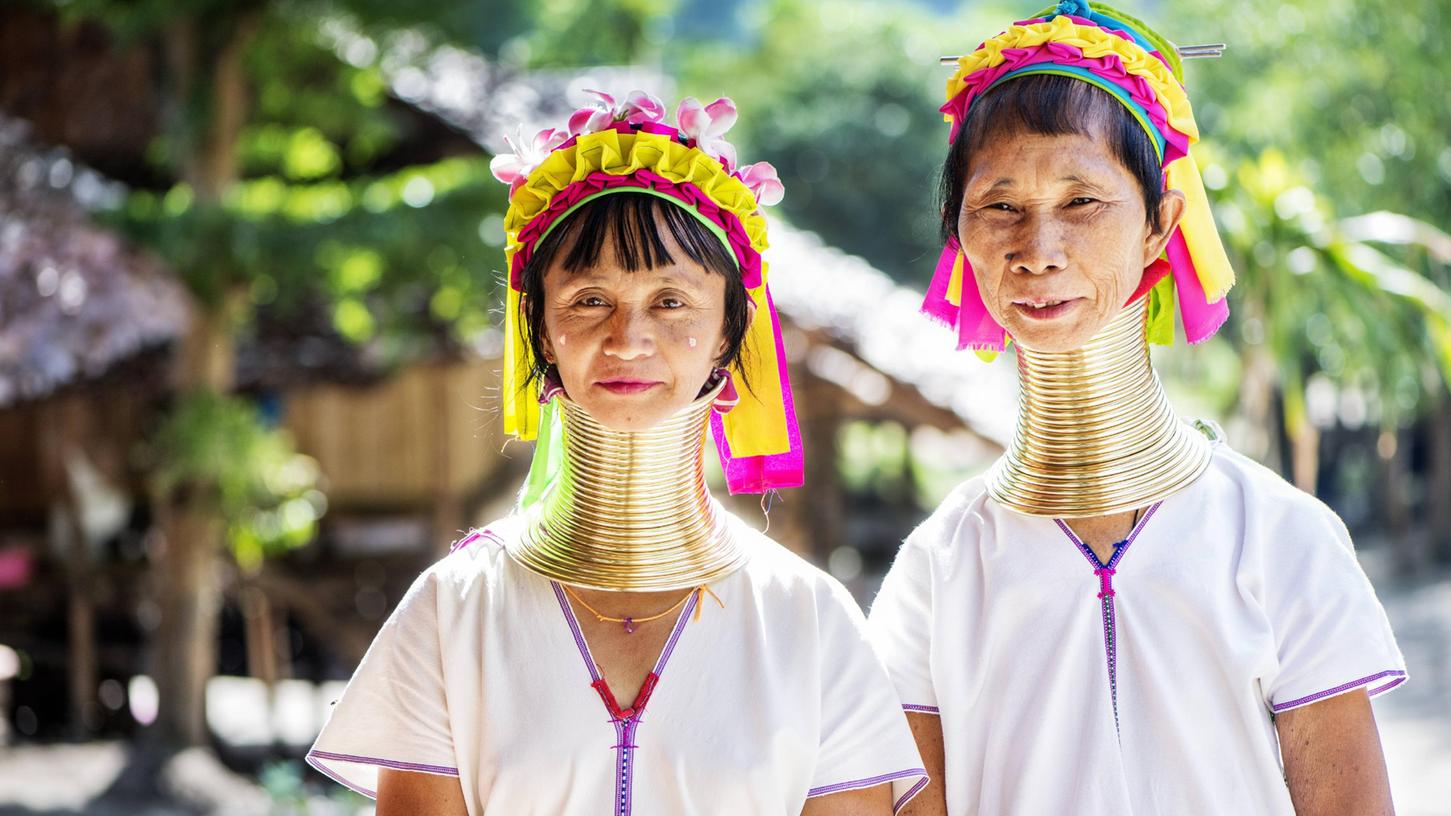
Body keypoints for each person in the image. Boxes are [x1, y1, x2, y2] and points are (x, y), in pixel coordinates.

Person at [308, 89, 927, 815]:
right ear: (538, 331)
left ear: (728, 337)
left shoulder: (806, 619)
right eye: (588, 299)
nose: (628, 338)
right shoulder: (454, 608)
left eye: (671, 302)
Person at [867, 3, 1405, 813]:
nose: (1037, 248)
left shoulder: (1277, 538)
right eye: (999, 207)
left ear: (1160, 225)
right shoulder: (938, 570)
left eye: (1082, 201)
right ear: (958, 234)